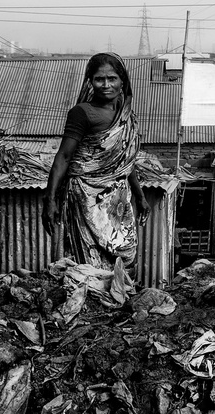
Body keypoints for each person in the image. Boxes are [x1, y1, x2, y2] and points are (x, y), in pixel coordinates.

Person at [43, 53, 150, 278]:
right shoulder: (82, 113)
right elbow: (63, 157)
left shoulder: (126, 116)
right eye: (99, 79)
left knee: (125, 255)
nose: (105, 85)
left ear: (123, 81)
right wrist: (49, 200)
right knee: (90, 264)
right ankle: (93, 302)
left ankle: (119, 303)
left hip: (118, 198)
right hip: (86, 196)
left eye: (112, 78)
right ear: (90, 81)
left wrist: (140, 196)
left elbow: (124, 162)